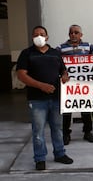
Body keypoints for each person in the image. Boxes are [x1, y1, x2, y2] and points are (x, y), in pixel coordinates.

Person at [16, 26, 74, 171]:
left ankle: (60, 154)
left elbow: (63, 70)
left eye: (42, 34)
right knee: (38, 131)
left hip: (56, 98)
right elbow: (21, 75)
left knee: (57, 129)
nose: (39, 37)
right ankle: (40, 158)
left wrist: (65, 75)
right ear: (32, 37)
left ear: (47, 37)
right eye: (36, 34)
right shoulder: (26, 53)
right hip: (37, 100)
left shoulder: (55, 53)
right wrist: (41, 86)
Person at [56, 24, 93, 145]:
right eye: (71, 32)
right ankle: (66, 134)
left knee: (86, 108)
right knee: (67, 110)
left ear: (81, 35)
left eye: (76, 32)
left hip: (84, 85)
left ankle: (88, 132)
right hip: (68, 85)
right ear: (69, 34)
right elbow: (54, 60)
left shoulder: (88, 46)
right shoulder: (60, 48)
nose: (73, 34)